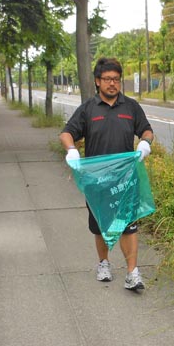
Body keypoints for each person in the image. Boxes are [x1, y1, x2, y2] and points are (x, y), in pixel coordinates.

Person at [59, 57, 154, 290]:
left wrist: (144, 143)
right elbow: (66, 133)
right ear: (98, 82)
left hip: (125, 179)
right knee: (100, 224)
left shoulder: (131, 107)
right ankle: (104, 263)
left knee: (127, 224)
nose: (113, 83)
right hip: (97, 180)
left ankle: (132, 273)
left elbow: (147, 130)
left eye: (116, 79)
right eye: (108, 79)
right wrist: (71, 150)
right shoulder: (88, 110)